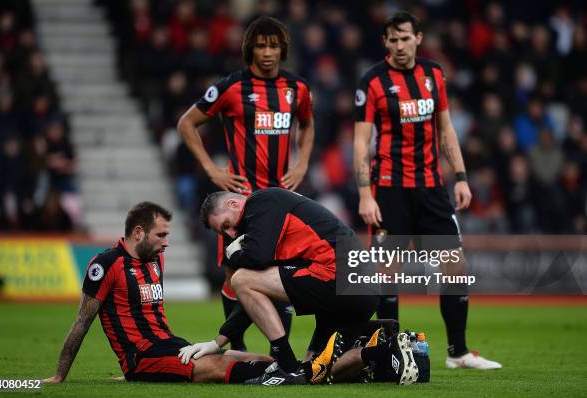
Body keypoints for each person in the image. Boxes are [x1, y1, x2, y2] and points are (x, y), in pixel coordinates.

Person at [353, 11, 501, 369]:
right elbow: (361, 142)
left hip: (432, 187)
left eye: (405, 38)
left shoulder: (434, 74)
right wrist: (365, 194)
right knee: (388, 272)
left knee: (455, 266)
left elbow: (446, 129)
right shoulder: (371, 81)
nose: (399, 45)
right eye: (393, 39)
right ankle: (387, 356)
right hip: (388, 189)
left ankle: (459, 352)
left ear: (418, 38)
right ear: (385, 42)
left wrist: (462, 176)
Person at [178, 16, 314, 353]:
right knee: (233, 273)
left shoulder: (297, 89)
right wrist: (212, 169)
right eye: (260, 45)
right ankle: (235, 347)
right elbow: (186, 124)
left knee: (279, 272)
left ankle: (278, 353)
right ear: (249, 48)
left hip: (281, 202)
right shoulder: (231, 87)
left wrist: (302, 164)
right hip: (241, 204)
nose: (267, 52)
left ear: (283, 48)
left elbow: (308, 125)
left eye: (273, 45)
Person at [179, 188, 403, 385]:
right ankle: (381, 348)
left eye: (226, 226)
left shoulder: (260, 203)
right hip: (357, 290)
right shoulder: (271, 216)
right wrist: (218, 341)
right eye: (222, 233)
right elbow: (254, 296)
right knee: (312, 371)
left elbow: (254, 264)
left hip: (340, 278)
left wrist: (236, 255)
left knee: (241, 278)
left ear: (234, 203)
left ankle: (285, 364)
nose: (229, 235)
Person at [42, 202, 275, 384]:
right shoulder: (106, 265)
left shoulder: (155, 260)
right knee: (217, 367)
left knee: (248, 358)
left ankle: (291, 368)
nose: (166, 243)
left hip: (170, 345)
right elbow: (82, 322)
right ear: (138, 233)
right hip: (142, 356)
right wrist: (59, 376)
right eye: (160, 235)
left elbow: (153, 316)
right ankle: (299, 374)